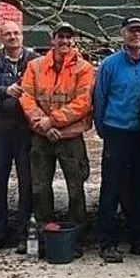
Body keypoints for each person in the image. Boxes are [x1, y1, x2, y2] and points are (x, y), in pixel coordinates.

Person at [93, 17, 140, 263]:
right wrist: (103, 129)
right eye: (131, 31)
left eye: (139, 30)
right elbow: (100, 98)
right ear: (122, 34)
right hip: (116, 131)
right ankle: (107, 242)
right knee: (111, 188)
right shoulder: (109, 65)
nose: (136, 35)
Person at [19, 22, 95, 254]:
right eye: (60, 36)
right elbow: (26, 96)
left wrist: (52, 122)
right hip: (41, 136)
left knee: (76, 189)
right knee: (40, 188)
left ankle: (76, 239)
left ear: (74, 41)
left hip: (70, 137)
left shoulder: (84, 68)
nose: (65, 41)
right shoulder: (35, 66)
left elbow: (83, 103)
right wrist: (42, 124)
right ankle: (44, 236)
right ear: (52, 39)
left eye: (69, 37)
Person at [0, 20, 39, 254]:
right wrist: (6, 90)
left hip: (27, 130)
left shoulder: (35, 61)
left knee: (28, 183)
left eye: (16, 33)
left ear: (22, 35)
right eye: (7, 34)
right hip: (0, 130)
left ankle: (25, 234)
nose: (12, 37)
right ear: (1, 37)